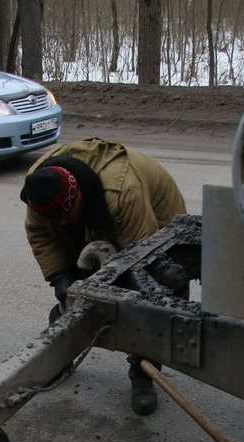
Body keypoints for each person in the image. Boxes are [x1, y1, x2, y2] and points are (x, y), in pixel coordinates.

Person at [20, 137, 187, 416]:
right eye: (55, 219)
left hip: (153, 230)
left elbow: (143, 262)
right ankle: (60, 349)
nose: (61, 223)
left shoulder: (123, 193)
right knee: (77, 292)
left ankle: (143, 374)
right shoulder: (39, 188)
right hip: (96, 222)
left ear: (79, 196)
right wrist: (61, 277)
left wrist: (115, 291)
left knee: (152, 301)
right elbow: (39, 233)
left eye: (66, 215)